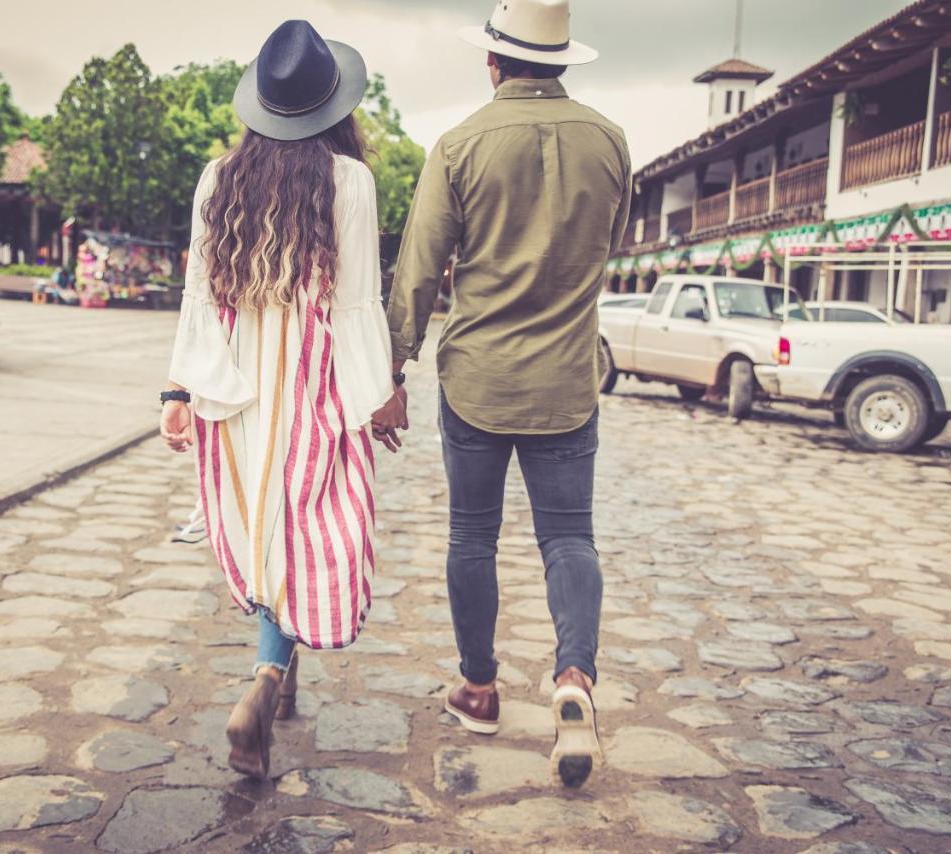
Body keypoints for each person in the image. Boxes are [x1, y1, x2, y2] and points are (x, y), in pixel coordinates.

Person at [375, 0, 633, 789]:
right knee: (569, 537)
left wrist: (391, 369)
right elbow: (603, 254)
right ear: (562, 63)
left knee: (470, 537)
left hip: (478, 377)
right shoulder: (611, 142)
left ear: (493, 62)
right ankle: (574, 683)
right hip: (566, 380)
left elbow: (418, 269)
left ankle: (480, 689)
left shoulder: (457, 145)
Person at [160, 20, 400, 780]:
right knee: (312, 531)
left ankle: (273, 675)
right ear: (333, 108)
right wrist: (379, 396)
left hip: (234, 396)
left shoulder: (216, 178)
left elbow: (198, 297)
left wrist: (177, 389)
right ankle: (267, 678)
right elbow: (358, 306)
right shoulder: (350, 183)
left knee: (266, 528)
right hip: (315, 390)